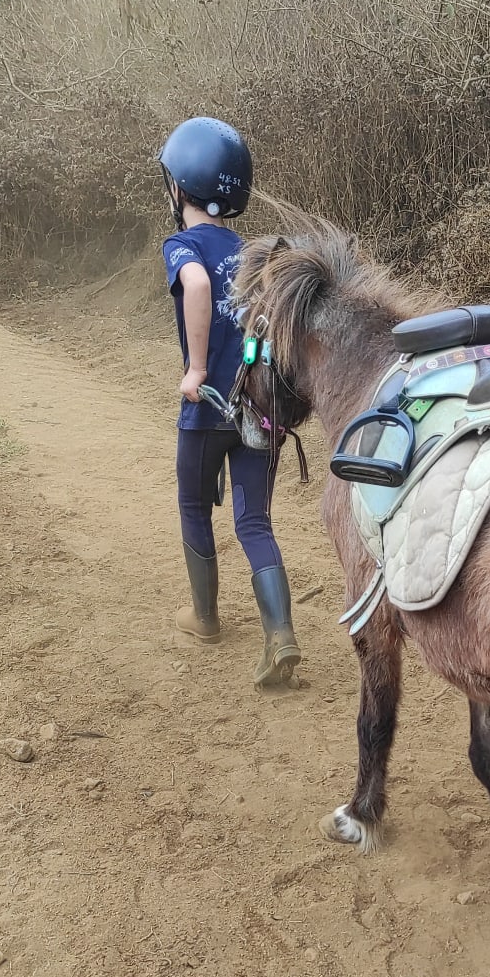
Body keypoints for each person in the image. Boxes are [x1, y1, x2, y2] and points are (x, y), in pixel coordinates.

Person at [159, 115, 301, 686]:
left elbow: (194, 285)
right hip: (256, 411)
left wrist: (195, 368)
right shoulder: (253, 254)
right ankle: (281, 634)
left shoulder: (182, 245)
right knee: (254, 521)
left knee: (195, 507)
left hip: (205, 408)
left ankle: (206, 617)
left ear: (180, 186)